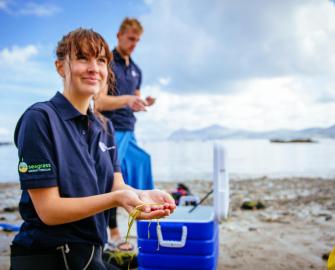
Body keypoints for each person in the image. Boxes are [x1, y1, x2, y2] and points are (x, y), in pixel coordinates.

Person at [10, 28, 175, 270]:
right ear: (60, 67)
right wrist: (116, 199)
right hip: (49, 255)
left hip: (91, 253)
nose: (93, 68)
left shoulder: (105, 126)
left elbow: (116, 185)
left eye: (100, 60)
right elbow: (49, 210)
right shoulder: (40, 119)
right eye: (82, 58)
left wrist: (141, 196)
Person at [94, 18, 155, 248]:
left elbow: (135, 98)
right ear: (119, 35)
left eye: (137, 41)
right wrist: (128, 100)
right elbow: (98, 102)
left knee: (143, 164)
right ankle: (114, 233)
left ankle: (143, 221)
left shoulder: (137, 70)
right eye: (130, 39)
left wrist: (142, 101)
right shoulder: (106, 63)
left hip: (130, 130)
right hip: (108, 130)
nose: (133, 44)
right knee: (110, 181)